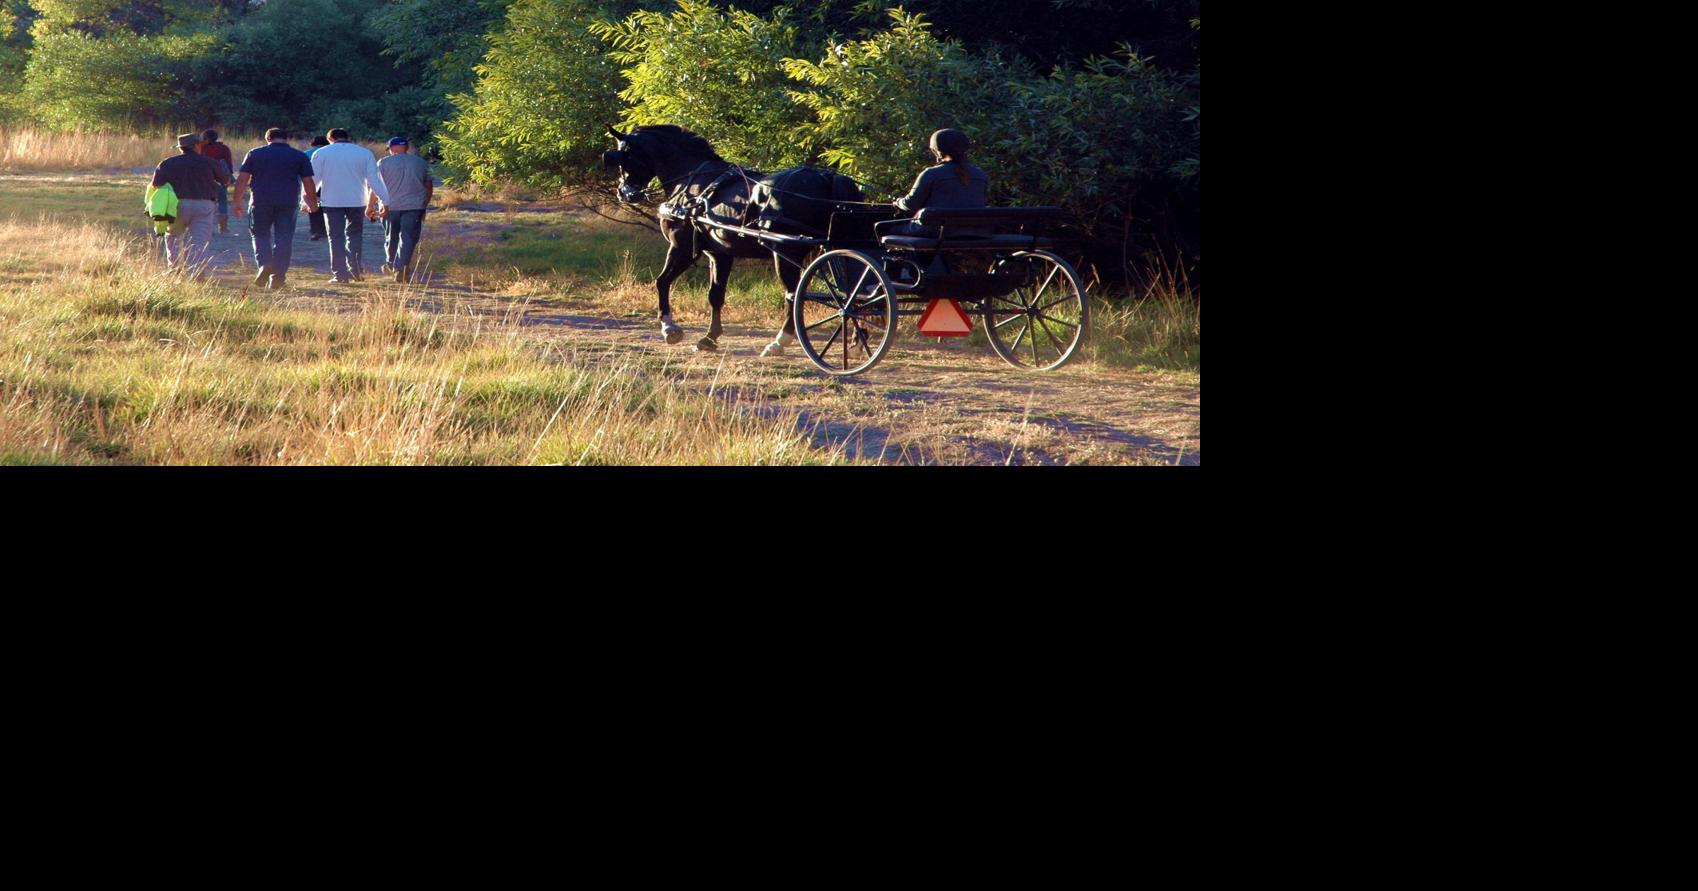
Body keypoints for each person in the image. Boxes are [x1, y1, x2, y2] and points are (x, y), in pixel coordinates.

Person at [231, 128, 319, 290]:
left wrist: (237, 201)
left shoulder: (255, 154)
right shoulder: (298, 155)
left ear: (268, 138)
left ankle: (265, 264)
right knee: (284, 239)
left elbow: (242, 179)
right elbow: (308, 181)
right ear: (286, 139)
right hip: (288, 202)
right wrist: (312, 202)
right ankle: (277, 278)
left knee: (259, 234)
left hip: (260, 201)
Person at [310, 128, 390, 284]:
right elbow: (374, 180)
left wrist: (306, 202)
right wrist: (385, 201)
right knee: (354, 236)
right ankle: (356, 271)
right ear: (348, 138)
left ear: (330, 139)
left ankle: (340, 275)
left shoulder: (321, 153)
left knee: (335, 237)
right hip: (357, 201)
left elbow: (313, 181)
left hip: (332, 201)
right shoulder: (364, 153)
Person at [150, 133, 230, 276]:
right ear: (196, 146)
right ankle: (196, 272)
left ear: (181, 148)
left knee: (173, 237)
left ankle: (174, 270)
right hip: (204, 205)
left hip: (175, 205)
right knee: (199, 241)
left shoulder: (167, 163)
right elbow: (226, 181)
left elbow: (155, 184)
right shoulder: (209, 162)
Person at [893, 129, 989, 237]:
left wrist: (898, 202)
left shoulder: (931, 174)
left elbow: (911, 205)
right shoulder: (981, 175)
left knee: (886, 228)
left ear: (936, 151)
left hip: (936, 233)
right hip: (976, 233)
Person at [371, 136, 435, 284]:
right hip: (414, 206)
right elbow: (429, 187)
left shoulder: (383, 163)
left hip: (389, 206)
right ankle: (400, 268)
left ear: (391, 148)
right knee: (408, 238)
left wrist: (370, 206)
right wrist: (424, 205)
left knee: (391, 237)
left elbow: (376, 187)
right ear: (406, 148)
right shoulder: (421, 163)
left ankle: (392, 264)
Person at [196, 128, 236, 235]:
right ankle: (223, 228)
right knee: (222, 201)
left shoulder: (200, 148)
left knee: (207, 202)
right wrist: (228, 178)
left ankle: (207, 229)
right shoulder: (223, 148)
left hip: (204, 179)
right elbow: (229, 165)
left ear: (205, 139)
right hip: (221, 179)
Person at [305, 135, 330, 241]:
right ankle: (329, 229)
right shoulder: (329, 151)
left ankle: (316, 231)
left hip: (312, 183)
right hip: (329, 183)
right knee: (329, 208)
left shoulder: (306, 153)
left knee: (313, 207)